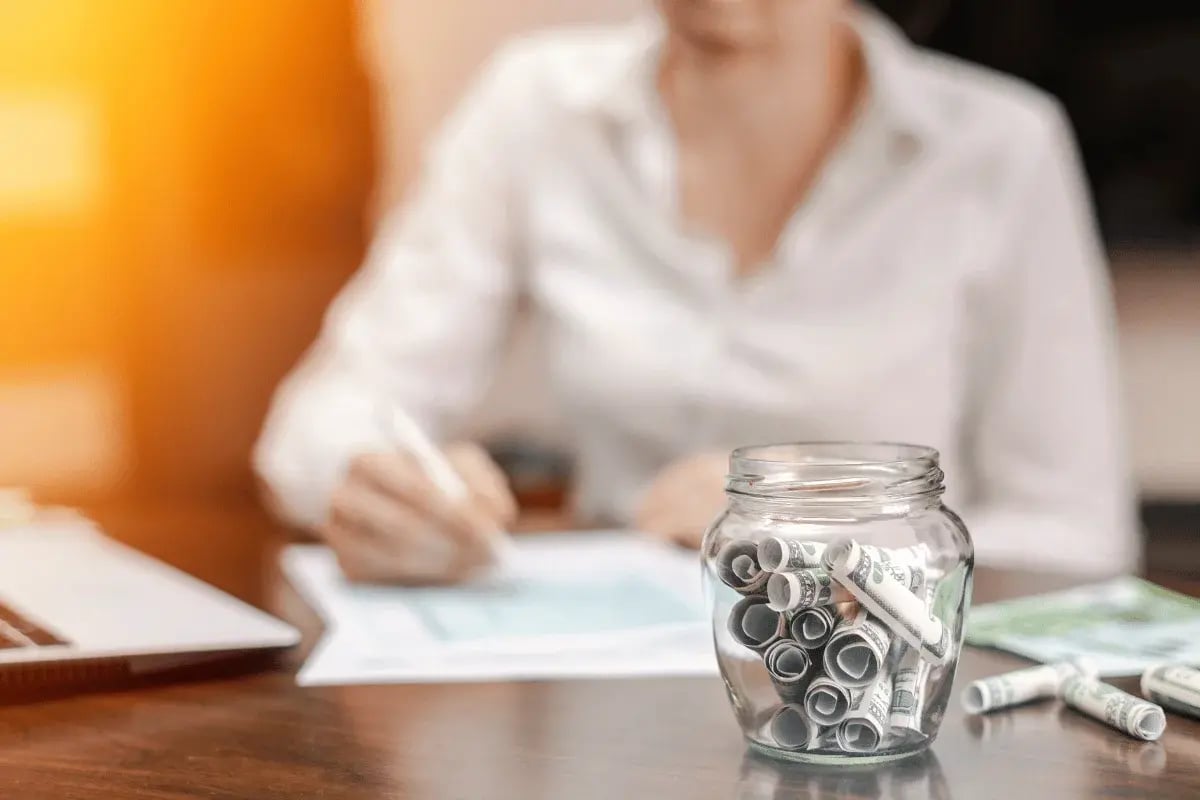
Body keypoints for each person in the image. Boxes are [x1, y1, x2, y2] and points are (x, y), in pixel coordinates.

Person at [255, 0, 1137, 583]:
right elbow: (312, 429)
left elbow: (1076, 536)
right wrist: (379, 489)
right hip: (597, 694)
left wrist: (821, 531)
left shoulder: (1001, 148)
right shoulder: (536, 105)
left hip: (872, 693)